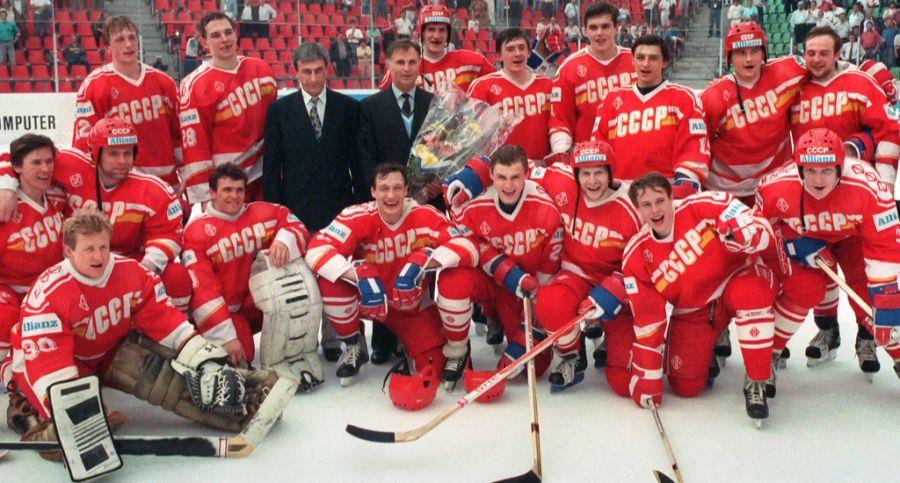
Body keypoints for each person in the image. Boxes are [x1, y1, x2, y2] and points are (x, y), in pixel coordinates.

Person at [4, 209, 277, 444]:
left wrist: (204, 361)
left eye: (103, 246)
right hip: (42, 364)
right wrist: (78, 410)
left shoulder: (130, 272)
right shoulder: (49, 293)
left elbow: (163, 317)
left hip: (105, 350)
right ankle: (38, 426)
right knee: (76, 419)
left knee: (161, 381)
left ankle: (245, 397)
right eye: (89, 248)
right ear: (68, 251)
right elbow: (48, 360)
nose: (99, 256)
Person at [623, 172, 777, 424]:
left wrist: (745, 234)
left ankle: (757, 378)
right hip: (696, 309)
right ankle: (713, 342)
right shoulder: (637, 254)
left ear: (671, 197)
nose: (655, 209)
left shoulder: (703, 204)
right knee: (685, 386)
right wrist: (647, 371)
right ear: (637, 209)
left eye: (660, 201)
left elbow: (761, 228)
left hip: (738, 278)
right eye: (646, 204)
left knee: (751, 295)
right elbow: (648, 317)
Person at [305, 163, 477, 385]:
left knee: (433, 366)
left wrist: (425, 263)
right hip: (369, 300)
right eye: (384, 188)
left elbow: (467, 247)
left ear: (406, 190)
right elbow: (316, 249)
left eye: (397, 188)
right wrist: (357, 275)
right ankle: (353, 343)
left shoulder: (425, 214)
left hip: (409, 306)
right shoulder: (357, 215)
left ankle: (412, 344)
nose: (391, 195)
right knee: (331, 284)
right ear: (373, 192)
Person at [755, 128, 900, 384]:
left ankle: (897, 355)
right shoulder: (775, 187)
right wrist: (791, 242)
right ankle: (768, 353)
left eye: (826, 170)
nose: (818, 180)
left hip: (852, 237)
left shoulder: (868, 186)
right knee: (804, 289)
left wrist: (887, 296)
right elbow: (758, 232)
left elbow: (885, 245)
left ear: (840, 168)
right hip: (806, 237)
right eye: (810, 171)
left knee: (879, 306)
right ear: (799, 168)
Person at [263, 43, 362, 362]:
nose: (313, 77)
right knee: (302, 277)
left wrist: (359, 207)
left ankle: (337, 336)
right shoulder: (280, 111)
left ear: (328, 68)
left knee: (335, 271)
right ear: (296, 72)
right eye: (306, 71)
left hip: (338, 206)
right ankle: (303, 342)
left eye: (319, 70)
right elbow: (272, 165)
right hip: (296, 207)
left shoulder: (347, 108)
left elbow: (357, 163)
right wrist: (275, 214)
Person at [435, 145, 562, 384]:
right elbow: (468, 243)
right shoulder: (474, 204)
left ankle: (505, 322)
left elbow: (550, 268)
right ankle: (458, 350)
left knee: (533, 367)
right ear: (491, 175)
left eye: (515, 177)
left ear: (527, 174)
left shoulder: (545, 209)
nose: (508, 185)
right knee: (452, 280)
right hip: (492, 281)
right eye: (501, 177)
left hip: (524, 291)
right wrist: (506, 271)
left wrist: (536, 307)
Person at [183, 164, 312, 369]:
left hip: (254, 303)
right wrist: (226, 336)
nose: (234, 196)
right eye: (227, 190)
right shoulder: (196, 232)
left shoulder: (260, 212)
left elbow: (293, 223)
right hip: (227, 313)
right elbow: (203, 292)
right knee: (241, 357)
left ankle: (294, 355)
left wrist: (284, 241)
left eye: (239, 190)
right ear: (212, 193)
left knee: (293, 287)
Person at [358, 39, 435, 364]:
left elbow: (446, 154)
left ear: (420, 65)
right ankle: (383, 338)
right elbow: (364, 156)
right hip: (387, 203)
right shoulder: (371, 106)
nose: (406, 69)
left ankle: (421, 333)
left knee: (419, 267)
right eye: (400, 62)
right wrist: (383, 192)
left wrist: (432, 186)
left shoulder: (435, 103)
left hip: (425, 202)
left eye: (412, 63)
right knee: (386, 267)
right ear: (387, 64)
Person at [591, 35, 709, 197]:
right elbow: (599, 146)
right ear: (632, 60)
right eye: (640, 58)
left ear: (664, 62)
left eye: (653, 58)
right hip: (619, 192)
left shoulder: (684, 98)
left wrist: (685, 183)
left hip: (665, 193)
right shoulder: (611, 100)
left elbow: (693, 145)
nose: (645, 64)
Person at [72, 17, 182, 190]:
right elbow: (84, 146)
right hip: (121, 185)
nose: (128, 45)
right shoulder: (94, 86)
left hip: (167, 183)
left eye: (132, 38)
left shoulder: (164, 82)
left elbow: (180, 137)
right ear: (108, 47)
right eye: (120, 39)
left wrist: (188, 179)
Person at [701, 22, 806, 204]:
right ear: (730, 57)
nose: (748, 59)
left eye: (754, 52)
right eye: (741, 53)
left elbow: (827, 65)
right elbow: (698, 144)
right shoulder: (713, 95)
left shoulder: (786, 72)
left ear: (764, 53)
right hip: (726, 188)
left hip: (774, 181)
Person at [179, 11, 277, 204]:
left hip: (265, 176)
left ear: (236, 34)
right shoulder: (193, 86)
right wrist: (205, 197)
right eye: (215, 35)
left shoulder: (261, 70)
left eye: (228, 32)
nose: (224, 39)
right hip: (227, 186)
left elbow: (276, 126)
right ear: (204, 42)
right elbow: (195, 147)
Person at [0, 135, 65, 386]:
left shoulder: (58, 197)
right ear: (16, 168)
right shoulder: (6, 205)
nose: (45, 169)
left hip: (43, 291)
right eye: (36, 163)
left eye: (49, 161)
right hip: (8, 290)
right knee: (5, 316)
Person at [547, 2, 636, 165]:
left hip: (633, 153)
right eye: (593, 27)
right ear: (585, 30)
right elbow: (560, 120)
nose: (599, 33)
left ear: (616, 28)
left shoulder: (636, 61)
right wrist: (563, 152)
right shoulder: (568, 68)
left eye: (605, 26)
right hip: (589, 161)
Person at [468, 28, 553, 161]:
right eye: (510, 49)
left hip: (540, 167)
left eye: (521, 48)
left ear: (529, 52)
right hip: (500, 170)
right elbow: (470, 134)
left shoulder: (548, 85)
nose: (517, 53)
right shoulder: (482, 86)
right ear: (499, 56)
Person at [379, 5, 495, 94]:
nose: (437, 35)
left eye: (442, 30)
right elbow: (384, 100)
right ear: (421, 32)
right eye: (431, 29)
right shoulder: (405, 66)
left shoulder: (471, 62)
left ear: (448, 34)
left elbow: (499, 85)